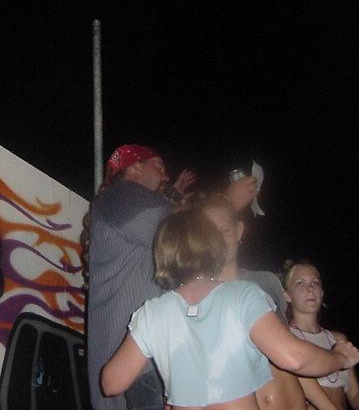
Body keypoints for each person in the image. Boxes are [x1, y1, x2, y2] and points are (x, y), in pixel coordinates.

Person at [102, 207, 359, 410]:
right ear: (213, 245)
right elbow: (294, 358)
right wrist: (339, 358)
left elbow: (111, 383)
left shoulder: (152, 312)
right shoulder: (242, 295)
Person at [86, 144, 257, 410]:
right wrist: (228, 201)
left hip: (149, 364)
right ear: (135, 167)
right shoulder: (119, 195)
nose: (165, 175)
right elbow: (177, 230)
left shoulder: (130, 206)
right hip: (140, 367)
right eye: (158, 166)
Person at [199, 194, 337, 410]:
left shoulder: (266, 282)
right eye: (209, 233)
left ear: (239, 230)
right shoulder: (196, 298)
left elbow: (291, 354)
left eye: (224, 230)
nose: (217, 240)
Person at [282, 260, 359, 410]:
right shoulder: (284, 338)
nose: (310, 288)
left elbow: (355, 395)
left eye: (315, 282)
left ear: (322, 293)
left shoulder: (338, 340)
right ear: (287, 295)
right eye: (300, 283)